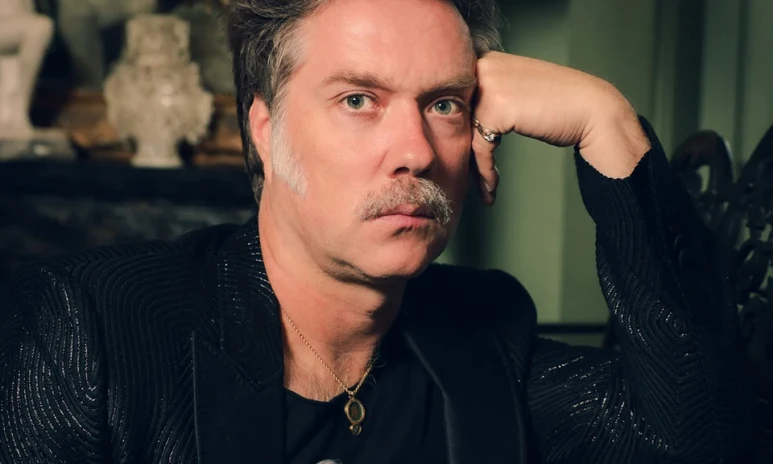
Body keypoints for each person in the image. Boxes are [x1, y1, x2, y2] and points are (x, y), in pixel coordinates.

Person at [0, 0, 755, 463]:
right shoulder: (87, 325)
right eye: (359, 100)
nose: (416, 151)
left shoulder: (486, 331)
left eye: (445, 104)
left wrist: (605, 120)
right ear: (264, 128)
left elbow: (703, 440)